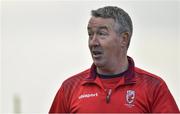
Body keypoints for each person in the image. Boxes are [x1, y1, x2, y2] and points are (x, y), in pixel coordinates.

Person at [49, 6, 179, 113]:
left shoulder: (154, 87)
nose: (93, 42)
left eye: (101, 34)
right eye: (90, 34)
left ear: (124, 39)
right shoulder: (70, 88)